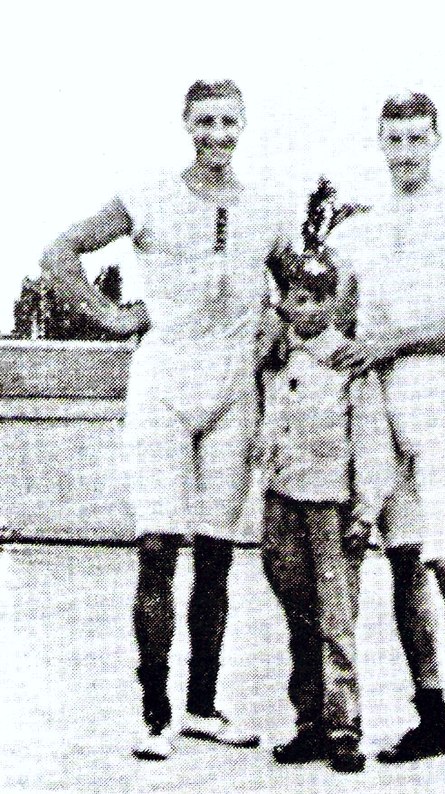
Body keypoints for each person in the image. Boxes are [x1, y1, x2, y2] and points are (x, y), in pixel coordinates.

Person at [40, 79, 288, 760]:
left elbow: (302, 291)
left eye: (229, 121)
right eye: (205, 121)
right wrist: (112, 317)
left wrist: (282, 327)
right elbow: (59, 252)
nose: (217, 134)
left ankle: (203, 706)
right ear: (186, 124)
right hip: (164, 387)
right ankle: (154, 712)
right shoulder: (148, 194)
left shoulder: (268, 207)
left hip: (234, 390)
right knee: (158, 549)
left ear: (245, 125)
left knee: (215, 558)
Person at [327, 91, 445, 785]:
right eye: (394, 139)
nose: (405, 152)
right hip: (382, 409)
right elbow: (337, 323)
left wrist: (393, 339)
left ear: (435, 140)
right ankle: (430, 719)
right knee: (402, 565)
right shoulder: (360, 232)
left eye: (416, 139)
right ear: (380, 142)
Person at [257, 227, 395, 773]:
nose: (307, 308)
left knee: (336, 621)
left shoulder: (347, 364)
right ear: (285, 302)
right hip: (282, 504)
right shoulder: (275, 361)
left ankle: (344, 729)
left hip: (332, 509)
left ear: (335, 302)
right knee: (298, 617)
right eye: (297, 297)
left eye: (318, 298)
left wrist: (366, 512)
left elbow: (370, 442)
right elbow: (267, 428)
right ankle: (309, 723)